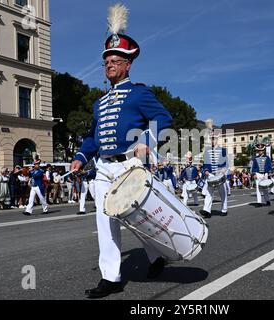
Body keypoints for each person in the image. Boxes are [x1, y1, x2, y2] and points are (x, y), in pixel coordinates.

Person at [70, 3, 173, 299]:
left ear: (128, 64)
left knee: (138, 219)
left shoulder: (140, 93)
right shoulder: (99, 103)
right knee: (105, 219)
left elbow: (164, 119)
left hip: (130, 166)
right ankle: (111, 277)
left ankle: (156, 256)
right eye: (107, 61)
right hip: (103, 168)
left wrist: (146, 138)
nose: (110, 65)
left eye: (116, 60)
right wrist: (80, 157)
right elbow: (93, 137)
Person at [200, 132, 229, 218]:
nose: (212, 140)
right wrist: (205, 171)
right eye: (211, 139)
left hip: (220, 174)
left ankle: (224, 209)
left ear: (217, 139)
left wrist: (224, 170)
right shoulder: (207, 151)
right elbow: (204, 165)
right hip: (211, 175)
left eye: (214, 139)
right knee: (209, 193)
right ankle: (207, 211)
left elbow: (227, 164)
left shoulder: (223, 150)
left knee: (222, 193)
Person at [251, 143, 272, 207]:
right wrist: (254, 173)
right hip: (258, 174)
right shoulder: (255, 158)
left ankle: (267, 200)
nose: (260, 152)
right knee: (258, 188)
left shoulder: (267, 157)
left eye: (261, 150)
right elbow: (253, 167)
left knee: (265, 188)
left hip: (265, 174)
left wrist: (269, 172)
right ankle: (259, 202)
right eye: (259, 150)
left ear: (264, 150)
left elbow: (269, 166)